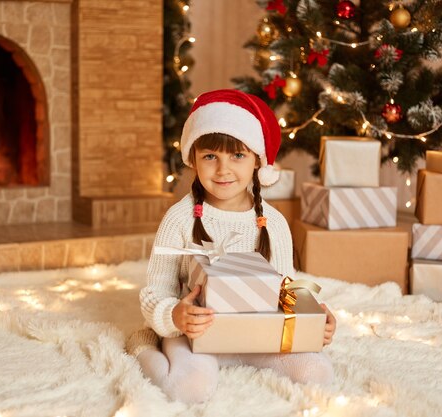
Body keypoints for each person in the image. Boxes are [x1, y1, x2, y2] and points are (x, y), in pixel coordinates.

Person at [126, 89, 336, 403]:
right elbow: (157, 290)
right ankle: (142, 347)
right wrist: (174, 316)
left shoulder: (274, 223)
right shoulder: (179, 218)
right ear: (194, 160)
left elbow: (286, 287)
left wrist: (314, 319)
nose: (223, 169)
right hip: (196, 332)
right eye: (211, 156)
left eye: (237, 155)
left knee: (317, 374)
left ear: (257, 162)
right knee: (189, 389)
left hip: (256, 334)